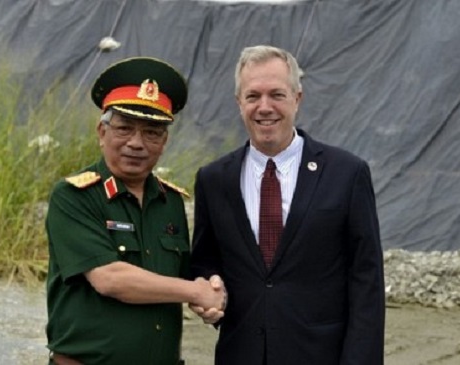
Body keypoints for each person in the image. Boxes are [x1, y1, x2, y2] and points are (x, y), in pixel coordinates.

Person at [190, 45, 385, 364]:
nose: (264, 107)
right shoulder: (214, 180)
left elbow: (367, 280)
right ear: (239, 103)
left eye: (277, 95)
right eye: (253, 96)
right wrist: (211, 294)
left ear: (298, 98)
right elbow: (205, 261)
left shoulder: (346, 173)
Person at [45, 57, 225, 365]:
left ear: (164, 141)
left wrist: (210, 298)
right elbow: (110, 279)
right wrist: (194, 292)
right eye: (124, 128)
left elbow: (179, 279)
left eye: (152, 132)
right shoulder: (74, 197)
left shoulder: (170, 202)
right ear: (102, 134)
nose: (136, 143)